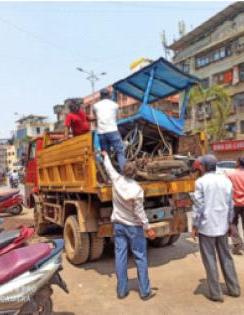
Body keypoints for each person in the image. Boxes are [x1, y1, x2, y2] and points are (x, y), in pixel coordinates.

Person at [101, 151, 156, 300]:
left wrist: (106, 156)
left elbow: (109, 168)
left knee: (120, 257)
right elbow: (140, 212)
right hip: (134, 228)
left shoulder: (116, 180)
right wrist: (148, 227)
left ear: (123, 171)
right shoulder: (137, 190)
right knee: (140, 258)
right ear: (135, 174)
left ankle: (122, 291)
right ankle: (145, 292)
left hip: (118, 225)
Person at [191, 154, 241, 302]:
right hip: (223, 225)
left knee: (210, 259)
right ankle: (234, 289)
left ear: (203, 167)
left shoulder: (200, 182)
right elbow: (231, 204)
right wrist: (231, 224)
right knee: (226, 257)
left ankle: (215, 293)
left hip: (207, 226)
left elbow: (198, 206)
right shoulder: (226, 181)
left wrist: (194, 225)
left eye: (200, 165)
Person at [93, 89, 126, 171]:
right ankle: (124, 172)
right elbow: (118, 118)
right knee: (120, 152)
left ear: (101, 96)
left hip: (101, 132)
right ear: (109, 95)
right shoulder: (115, 105)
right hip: (113, 131)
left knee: (105, 154)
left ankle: (108, 174)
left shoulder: (95, 106)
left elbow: (95, 117)